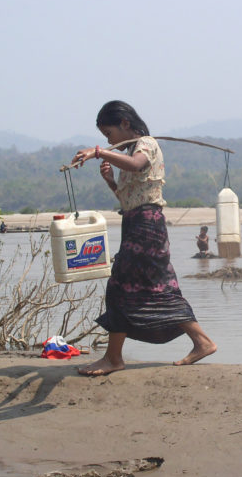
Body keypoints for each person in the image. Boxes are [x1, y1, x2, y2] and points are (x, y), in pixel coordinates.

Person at [71, 100, 217, 374]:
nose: (109, 140)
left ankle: (114, 357)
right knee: (155, 286)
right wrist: (112, 182)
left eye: (109, 134)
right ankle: (201, 340)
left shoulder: (146, 143)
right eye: (105, 138)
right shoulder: (131, 150)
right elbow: (130, 198)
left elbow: (138, 165)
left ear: (125, 124)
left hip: (146, 227)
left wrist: (98, 152)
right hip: (138, 224)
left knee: (121, 287)